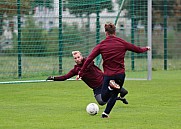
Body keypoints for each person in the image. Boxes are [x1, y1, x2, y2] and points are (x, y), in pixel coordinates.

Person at [78, 23, 151, 118]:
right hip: (120, 74)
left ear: (106, 33)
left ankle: (110, 88)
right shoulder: (122, 42)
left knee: (104, 97)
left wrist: (81, 72)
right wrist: (146, 48)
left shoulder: (102, 45)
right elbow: (137, 49)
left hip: (109, 75)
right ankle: (105, 114)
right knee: (114, 94)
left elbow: (89, 59)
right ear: (115, 32)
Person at [46, 51, 128, 106]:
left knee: (124, 92)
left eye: (78, 57)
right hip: (97, 88)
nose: (77, 59)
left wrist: (81, 73)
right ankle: (118, 98)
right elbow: (65, 77)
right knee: (101, 102)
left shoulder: (87, 61)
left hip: (106, 81)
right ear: (74, 59)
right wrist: (53, 78)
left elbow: (88, 66)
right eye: (75, 58)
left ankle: (119, 96)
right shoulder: (75, 70)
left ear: (81, 56)